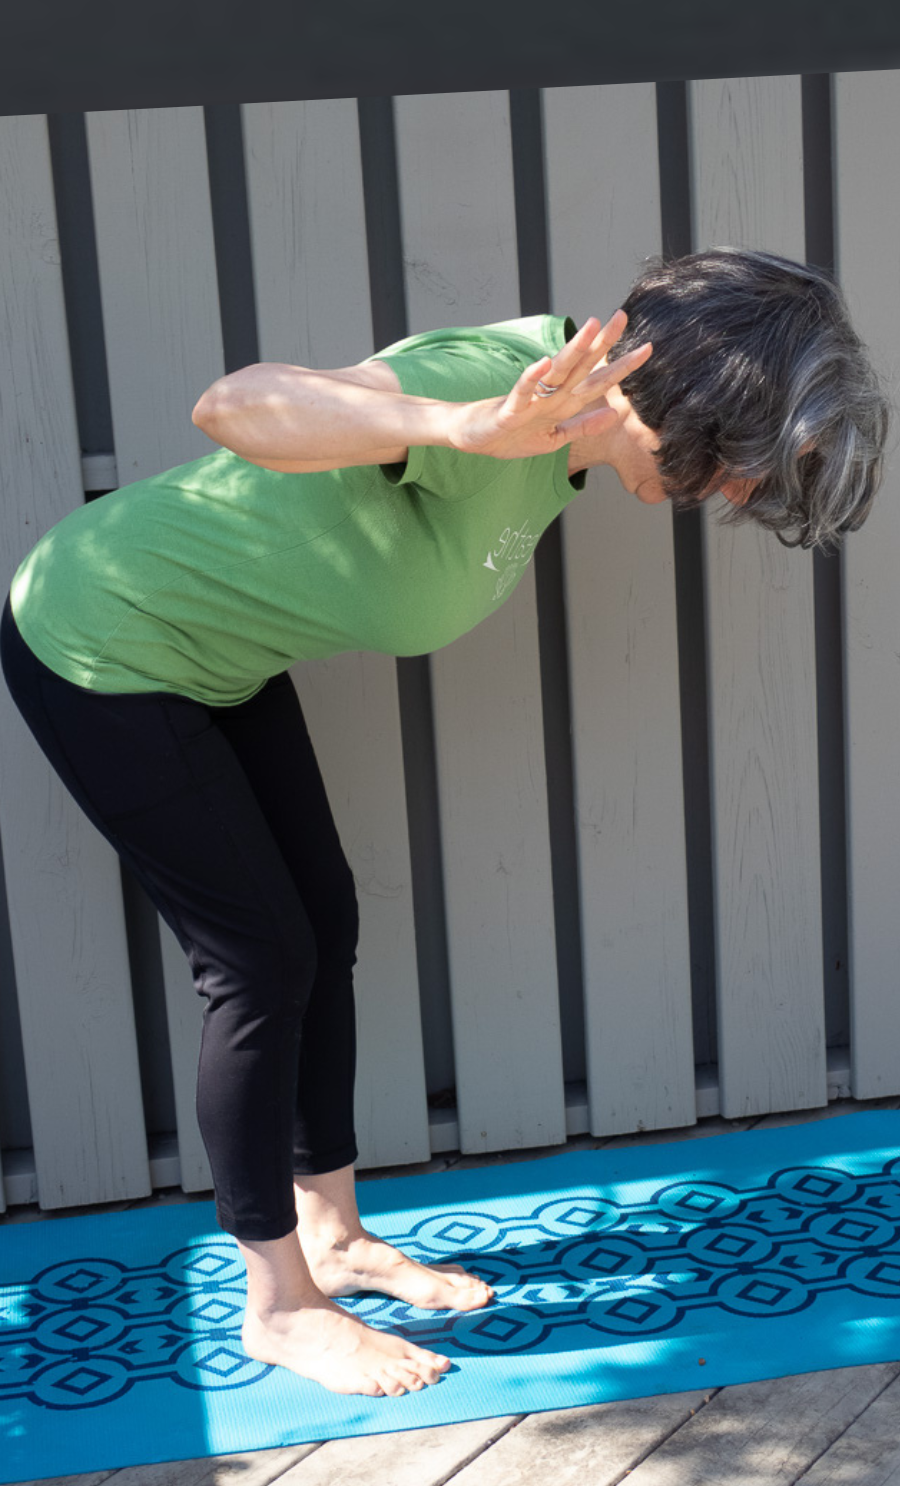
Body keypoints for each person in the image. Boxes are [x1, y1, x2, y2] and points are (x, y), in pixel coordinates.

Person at [0, 246, 888, 1401]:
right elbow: (230, 407)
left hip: (215, 654)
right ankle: (278, 1307)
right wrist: (464, 424)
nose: (738, 497)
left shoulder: (570, 431)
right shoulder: (492, 382)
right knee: (260, 961)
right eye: (748, 466)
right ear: (706, 399)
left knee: (322, 922)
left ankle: (334, 1236)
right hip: (103, 639)